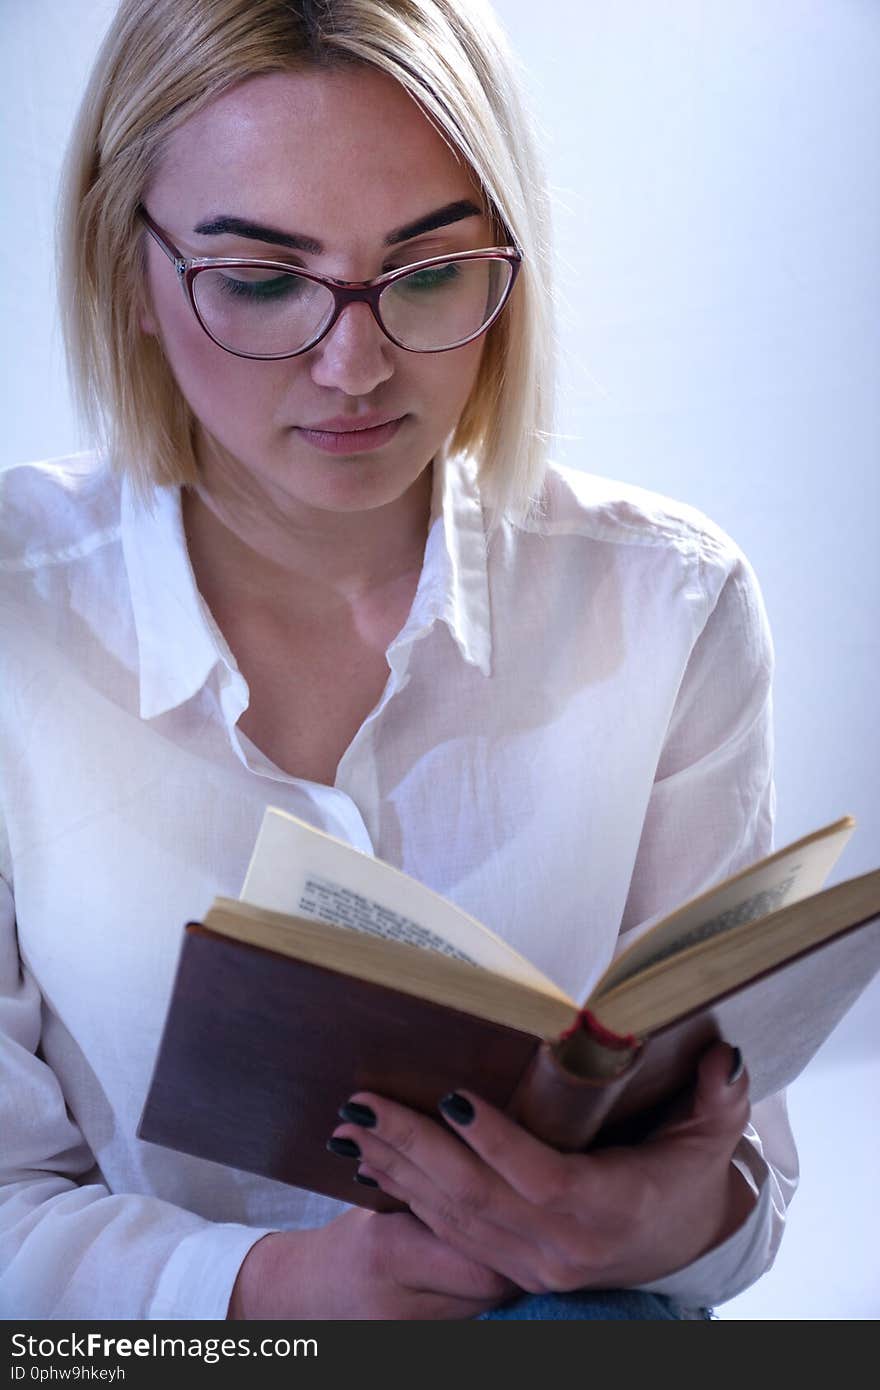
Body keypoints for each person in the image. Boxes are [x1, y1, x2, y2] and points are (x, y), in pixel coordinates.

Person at [0, 0, 797, 1320]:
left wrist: (665, 1216)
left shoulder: (671, 600)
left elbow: (743, 1171)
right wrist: (270, 1287)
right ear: (122, 270)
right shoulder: (20, 618)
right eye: (260, 281)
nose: (356, 366)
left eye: (428, 274)